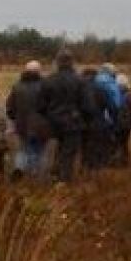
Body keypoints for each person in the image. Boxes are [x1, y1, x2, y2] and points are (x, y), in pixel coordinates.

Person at [38, 51, 93, 183]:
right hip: (74, 122)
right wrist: (84, 119)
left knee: (60, 149)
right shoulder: (81, 81)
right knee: (68, 153)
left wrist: (49, 115)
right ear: (72, 62)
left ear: (57, 62)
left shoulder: (48, 80)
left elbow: (40, 106)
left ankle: (54, 176)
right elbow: (88, 106)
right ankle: (63, 183)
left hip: (53, 122)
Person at [5, 61, 50, 180]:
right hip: (42, 125)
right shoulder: (45, 86)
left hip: (22, 124)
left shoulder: (17, 86)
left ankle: (19, 168)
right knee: (40, 151)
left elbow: (9, 107)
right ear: (39, 71)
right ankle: (36, 176)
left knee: (24, 149)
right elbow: (50, 106)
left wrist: (14, 118)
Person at [80, 68, 118, 172]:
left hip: (82, 123)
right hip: (99, 122)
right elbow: (112, 107)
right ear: (95, 77)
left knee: (84, 148)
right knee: (98, 148)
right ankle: (96, 171)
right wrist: (112, 121)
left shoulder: (79, 89)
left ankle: (84, 169)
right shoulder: (101, 89)